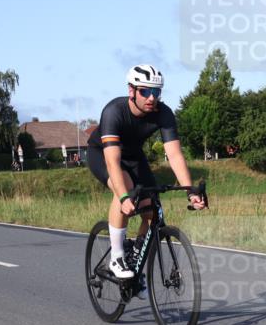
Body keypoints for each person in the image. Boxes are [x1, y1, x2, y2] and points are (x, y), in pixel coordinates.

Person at [87, 64, 206, 283]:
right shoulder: (114, 111)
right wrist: (123, 197)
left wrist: (190, 191)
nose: (151, 98)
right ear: (131, 91)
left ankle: (135, 259)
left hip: (134, 157)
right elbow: (113, 162)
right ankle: (117, 257)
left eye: (156, 92)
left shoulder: (164, 113)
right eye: (145, 91)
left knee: (152, 212)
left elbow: (175, 155)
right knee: (125, 189)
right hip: (103, 155)